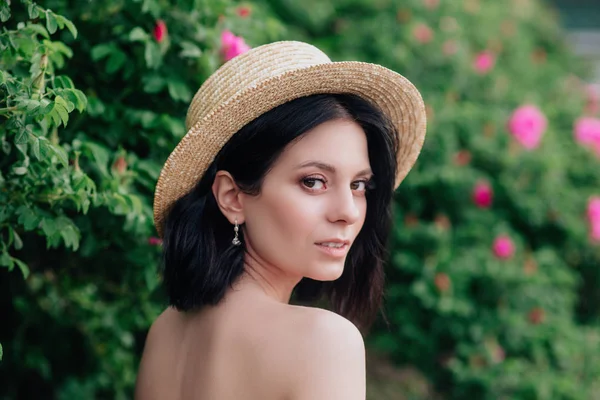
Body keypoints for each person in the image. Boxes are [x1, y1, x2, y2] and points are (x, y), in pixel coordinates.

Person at [135, 40, 426, 400]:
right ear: (232, 197)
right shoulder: (324, 342)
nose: (348, 211)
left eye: (359, 185)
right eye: (313, 182)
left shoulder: (166, 331)